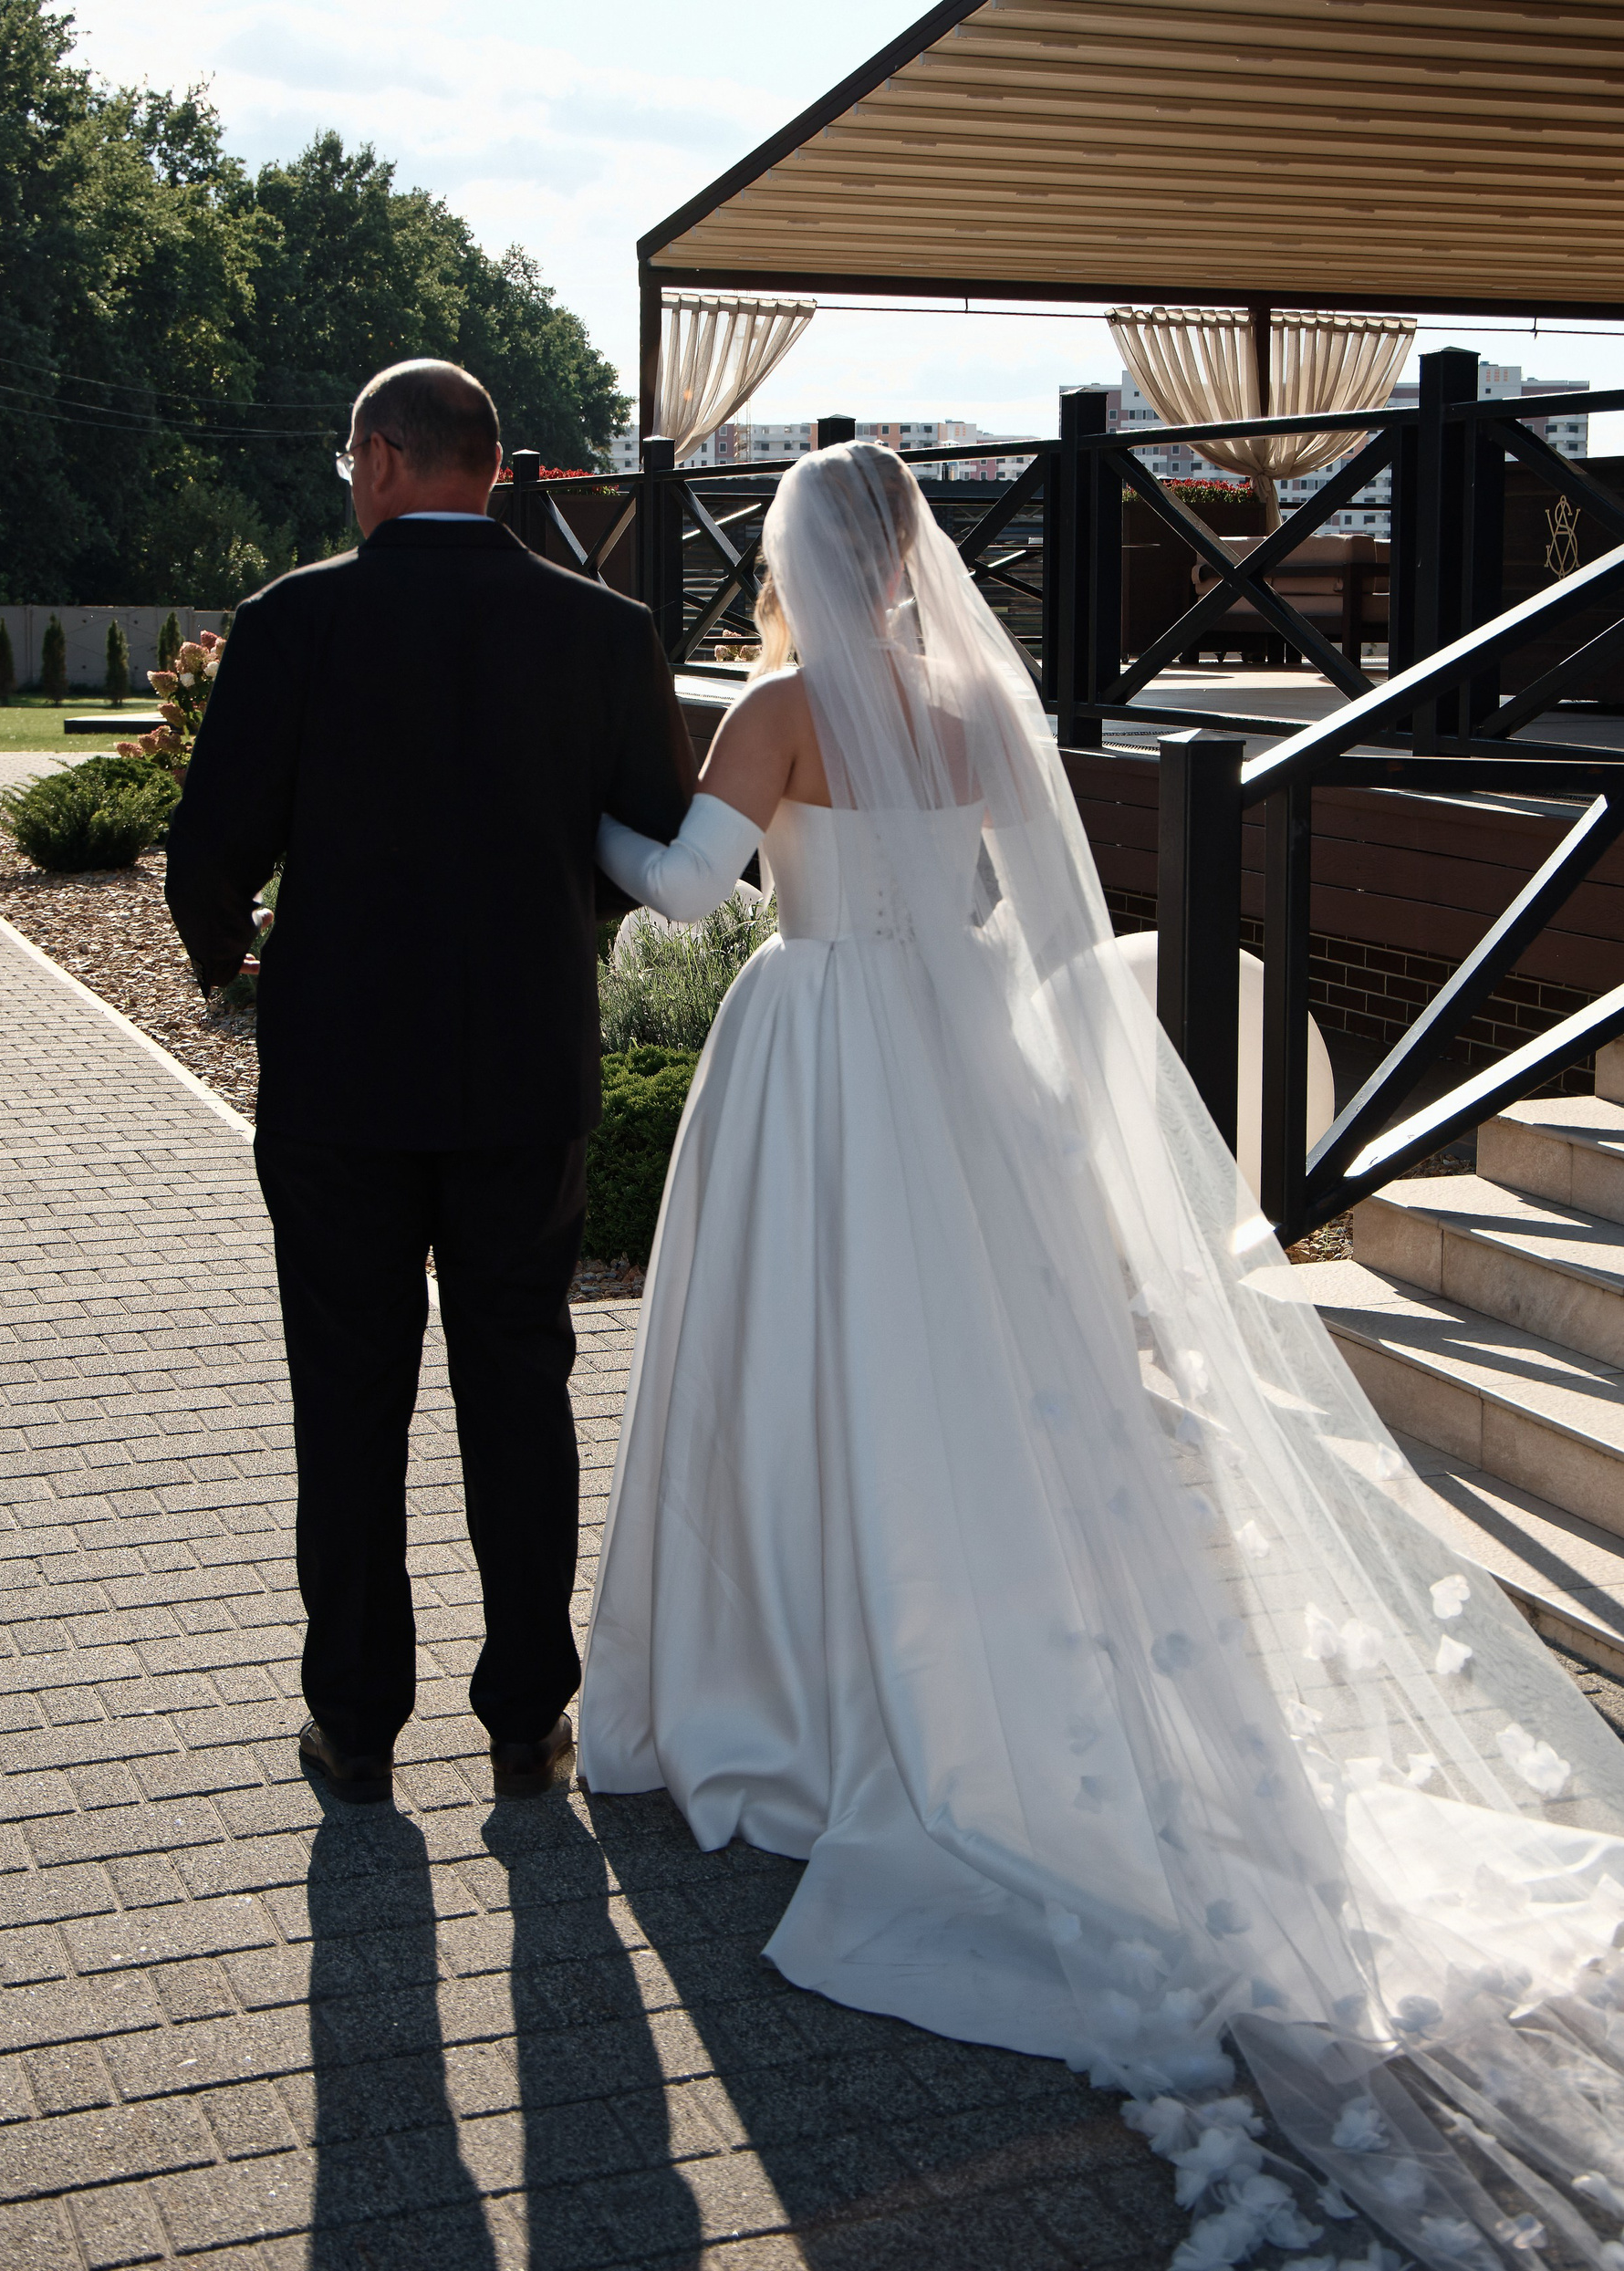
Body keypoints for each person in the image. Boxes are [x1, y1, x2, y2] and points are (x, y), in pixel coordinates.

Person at [582, 440, 1624, 2270]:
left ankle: (798, 1680)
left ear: (800, 557)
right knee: (970, 1380)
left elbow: (685, 892)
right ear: (912, 556)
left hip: (817, 1057)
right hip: (961, 1057)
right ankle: (961, 1661)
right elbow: (1051, 931)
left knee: (807, 1364)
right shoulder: (981, 702)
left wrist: (577, 824)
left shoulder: (778, 705)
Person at [167, 359, 693, 1807]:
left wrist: (237, 955)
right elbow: (653, 840)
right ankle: (527, 1719)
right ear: (491, 464)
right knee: (520, 1385)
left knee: (348, 1398)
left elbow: (210, 849)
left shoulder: (294, 620)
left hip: (339, 1075)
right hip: (524, 1064)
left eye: (351, 462)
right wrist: (556, 916)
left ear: (385, 459)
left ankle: (357, 1724)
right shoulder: (605, 629)